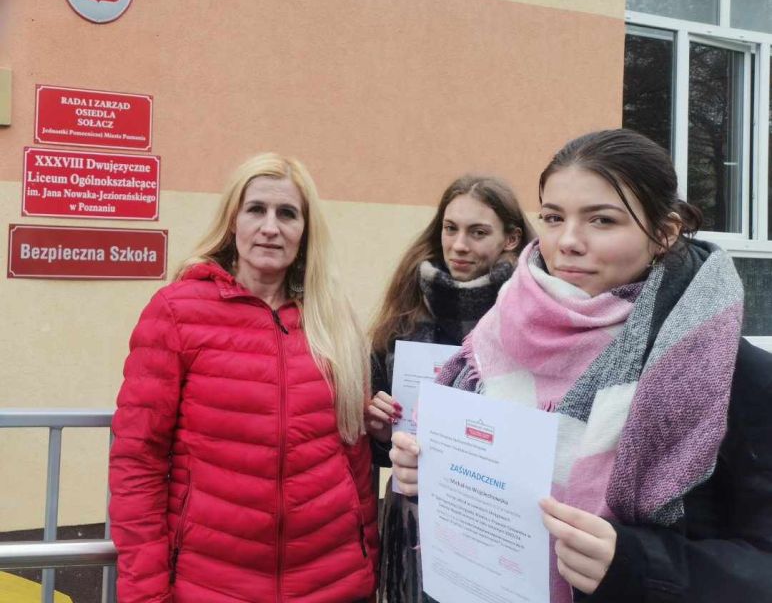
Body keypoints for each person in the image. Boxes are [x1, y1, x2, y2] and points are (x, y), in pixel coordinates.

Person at [391, 129, 772, 602]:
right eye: (553, 217)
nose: (568, 242)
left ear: (665, 233)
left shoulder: (731, 373)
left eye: (602, 220)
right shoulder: (494, 338)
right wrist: (434, 474)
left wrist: (639, 564)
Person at [109, 153, 378, 603]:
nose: (270, 227)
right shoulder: (176, 312)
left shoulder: (333, 319)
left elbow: (355, 458)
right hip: (211, 585)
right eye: (256, 209)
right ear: (233, 220)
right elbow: (138, 461)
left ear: (305, 230)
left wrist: (366, 567)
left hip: (330, 583)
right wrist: (146, 593)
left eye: (287, 213)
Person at [366, 174, 533, 602]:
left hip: (498, 528)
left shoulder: (534, 315)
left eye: (478, 232)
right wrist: (381, 431)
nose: (459, 245)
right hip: (415, 524)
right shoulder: (406, 310)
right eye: (450, 228)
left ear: (511, 238)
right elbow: (381, 449)